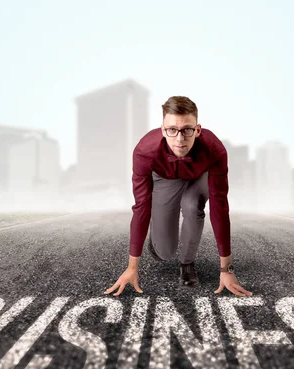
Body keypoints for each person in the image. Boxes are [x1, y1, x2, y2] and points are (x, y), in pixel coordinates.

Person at [104, 95, 252, 297]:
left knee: (192, 206)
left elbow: (219, 207)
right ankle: (158, 236)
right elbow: (141, 207)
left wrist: (226, 269)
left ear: (198, 130)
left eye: (187, 130)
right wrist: (132, 267)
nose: (180, 139)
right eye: (172, 130)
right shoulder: (144, 153)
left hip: (199, 176)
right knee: (164, 252)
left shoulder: (215, 150)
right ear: (163, 130)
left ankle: (187, 263)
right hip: (165, 178)